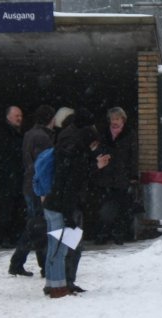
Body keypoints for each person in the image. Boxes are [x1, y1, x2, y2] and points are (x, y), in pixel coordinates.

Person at [42, 108, 105, 298]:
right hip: (60, 206)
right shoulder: (75, 152)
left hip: (56, 203)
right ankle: (58, 287)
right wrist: (69, 215)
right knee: (59, 249)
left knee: (58, 247)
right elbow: (70, 186)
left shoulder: (67, 144)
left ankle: (54, 284)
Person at [8, 104, 55, 278]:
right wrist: (44, 190)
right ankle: (22, 262)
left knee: (35, 225)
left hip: (29, 184)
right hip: (37, 187)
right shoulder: (42, 138)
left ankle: (27, 262)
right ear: (50, 118)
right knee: (37, 226)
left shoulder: (29, 134)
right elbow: (43, 166)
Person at [93, 107, 137, 245]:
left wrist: (133, 176)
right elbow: (98, 152)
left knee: (120, 207)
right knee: (104, 208)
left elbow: (133, 156)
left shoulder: (129, 134)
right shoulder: (103, 134)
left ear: (123, 120)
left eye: (117, 119)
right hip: (105, 176)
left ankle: (118, 234)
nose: (114, 122)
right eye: (112, 119)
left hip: (121, 176)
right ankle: (103, 234)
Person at [0, 105, 25, 248]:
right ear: (8, 117)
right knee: (7, 209)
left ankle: (10, 237)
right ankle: (5, 237)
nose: (20, 118)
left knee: (14, 209)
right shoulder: (3, 135)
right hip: (7, 179)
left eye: (21, 116)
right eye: (17, 115)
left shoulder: (18, 135)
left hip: (14, 178)